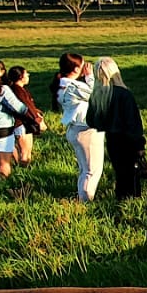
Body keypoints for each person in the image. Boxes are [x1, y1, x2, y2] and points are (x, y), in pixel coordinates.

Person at [84, 57, 147, 200]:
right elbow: (134, 123)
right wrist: (139, 144)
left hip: (112, 140)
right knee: (133, 175)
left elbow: (91, 121)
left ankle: (121, 200)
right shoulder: (124, 94)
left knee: (120, 173)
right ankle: (133, 203)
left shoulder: (98, 96)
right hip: (129, 140)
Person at [56, 52, 105, 202]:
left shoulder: (62, 85)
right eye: (83, 65)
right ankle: (86, 202)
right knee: (92, 171)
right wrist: (90, 76)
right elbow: (97, 94)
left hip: (75, 129)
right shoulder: (73, 86)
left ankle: (82, 198)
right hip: (86, 130)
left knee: (84, 169)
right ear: (77, 68)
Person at [5, 64, 47, 167]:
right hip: (21, 124)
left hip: (24, 123)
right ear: (21, 77)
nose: (28, 75)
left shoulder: (18, 89)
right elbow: (26, 108)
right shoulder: (17, 90)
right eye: (26, 73)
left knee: (26, 151)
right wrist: (38, 120)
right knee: (25, 153)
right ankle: (22, 174)